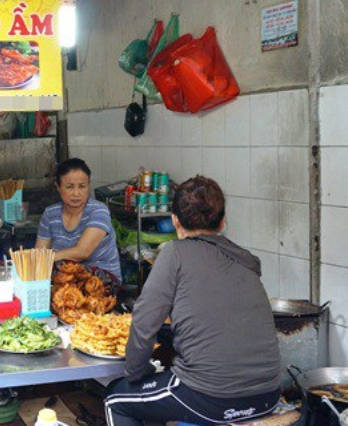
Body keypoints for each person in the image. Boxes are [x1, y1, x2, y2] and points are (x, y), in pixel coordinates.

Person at [105, 176, 281, 426]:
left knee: (116, 398)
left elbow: (144, 322)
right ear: (222, 222)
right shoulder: (246, 261)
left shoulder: (174, 253)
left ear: (174, 221)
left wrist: (135, 373)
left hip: (209, 398)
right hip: (267, 396)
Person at [35, 158, 121, 280]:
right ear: (58, 187)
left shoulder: (98, 211)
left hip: (101, 279)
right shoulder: (50, 214)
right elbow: (39, 253)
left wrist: (48, 257)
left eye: (82, 186)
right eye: (69, 187)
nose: (76, 193)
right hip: (66, 277)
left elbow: (82, 252)